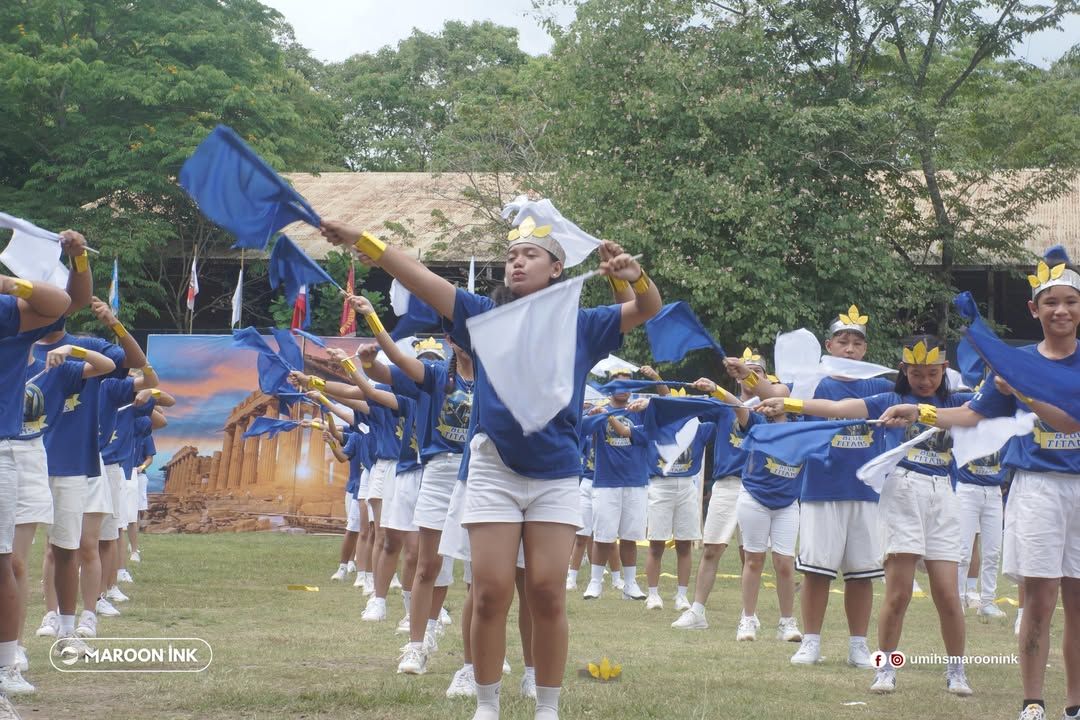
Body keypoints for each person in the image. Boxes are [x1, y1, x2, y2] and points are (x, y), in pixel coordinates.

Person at [320, 212, 661, 720]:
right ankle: (486, 704)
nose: (517, 262)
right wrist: (367, 243)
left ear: (557, 269)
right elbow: (421, 279)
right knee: (489, 592)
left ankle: (547, 706)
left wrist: (628, 275)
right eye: (511, 255)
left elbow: (646, 308)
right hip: (492, 470)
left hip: (557, 474)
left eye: (530, 255)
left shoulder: (582, 323)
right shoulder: (483, 315)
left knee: (546, 589)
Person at [881, 247, 1080, 720]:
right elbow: (971, 414)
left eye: (1070, 301)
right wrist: (921, 411)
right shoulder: (1016, 362)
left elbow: (1072, 422)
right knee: (1040, 598)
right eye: (1051, 302)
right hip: (1036, 487)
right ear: (1035, 309)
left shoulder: (1023, 372)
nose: (1061, 311)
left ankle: (1075, 704)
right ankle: (1033, 701)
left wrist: (1023, 388)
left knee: (1078, 600)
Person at [761, 334, 974, 696]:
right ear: (905, 370)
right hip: (902, 492)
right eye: (918, 373)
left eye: (933, 373)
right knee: (898, 594)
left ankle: (957, 670)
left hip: (944, 499)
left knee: (948, 595)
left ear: (945, 370)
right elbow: (838, 409)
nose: (925, 381)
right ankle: (885, 668)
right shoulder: (889, 399)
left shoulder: (957, 402)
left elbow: (997, 405)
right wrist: (788, 402)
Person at [731, 306, 889, 669]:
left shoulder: (880, 383)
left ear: (865, 349)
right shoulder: (813, 380)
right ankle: (812, 642)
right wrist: (748, 378)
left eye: (857, 343)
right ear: (829, 344)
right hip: (821, 488)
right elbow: (773, 391)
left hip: (865, 492)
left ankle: (858, 646)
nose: (850, 349)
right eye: (843, 341)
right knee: (816, 571)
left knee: (861, 574)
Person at [0, 271, 73, 699]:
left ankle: (6, 669)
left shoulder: (7, 312)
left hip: (6, 450)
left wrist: (10, 283)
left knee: (3, 564)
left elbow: (60, 301)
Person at [671, 380, 747, 631]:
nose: (750, 377)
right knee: (712, 550)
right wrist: (654, 403)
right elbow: (690, 406)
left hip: (757, 485)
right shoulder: (723, 407)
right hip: (726, 485)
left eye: (757, 372)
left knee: (752, 556)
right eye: (747, 373)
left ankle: (751, 616)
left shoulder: (770, 408)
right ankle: (697, 612)